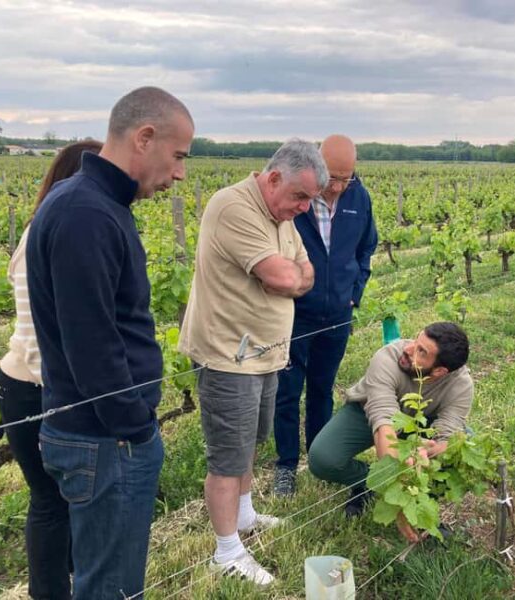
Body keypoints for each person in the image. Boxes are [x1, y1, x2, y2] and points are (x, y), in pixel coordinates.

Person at [27, 87, 194, 599]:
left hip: (101, 435)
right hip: (107, 439)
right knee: (112, 590)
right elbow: (92, 346)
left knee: (108, 583)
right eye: (179, 155)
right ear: (144, 138)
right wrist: (137, 428)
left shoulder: (93, 204)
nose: (180, 172)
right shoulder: (87, 213)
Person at [178, 139, 327, 586]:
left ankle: (243, 516)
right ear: (274, 177)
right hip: (230, 355)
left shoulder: (282, 216)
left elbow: (306, 274)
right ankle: (226, 552)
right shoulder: (233, 207)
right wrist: (289, 276)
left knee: (250, 443)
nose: (303, 208)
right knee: (227, 457)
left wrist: (292, 275)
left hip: (264, 353)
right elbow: (285, 275)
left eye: (311, 200)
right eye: (300, 196)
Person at [0, 139, 101, 600]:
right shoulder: (55, 234)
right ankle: (50, 592)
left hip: (23, 382)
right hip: (38, 387)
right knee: (51, 504)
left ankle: (71, 582)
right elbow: (45, 339)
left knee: (57, 502)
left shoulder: (44, 229)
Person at [272, 134, 378, 497]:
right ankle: (285, 466)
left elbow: (367, 248)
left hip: (337, 316)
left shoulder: (359, 198)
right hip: (294, 315)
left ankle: (319, 458)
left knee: (322, 389)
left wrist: (354, 293)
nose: (335, 186)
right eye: (331, 176)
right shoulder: (299, 198)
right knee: (286, 392)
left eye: (345, 178)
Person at [308, 321, 473, 542]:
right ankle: (369, 484)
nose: (409, 349)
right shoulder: (388, 357)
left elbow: (447, 433)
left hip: (421, 424)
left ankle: (422, 500)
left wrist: (432, 449)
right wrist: (396, 498)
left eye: (421, 351)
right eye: (416, 340)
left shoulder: (461, 385)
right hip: (368, 411)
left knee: (462, 445)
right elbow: (383, 421)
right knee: (323, 458)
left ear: (440, 371)